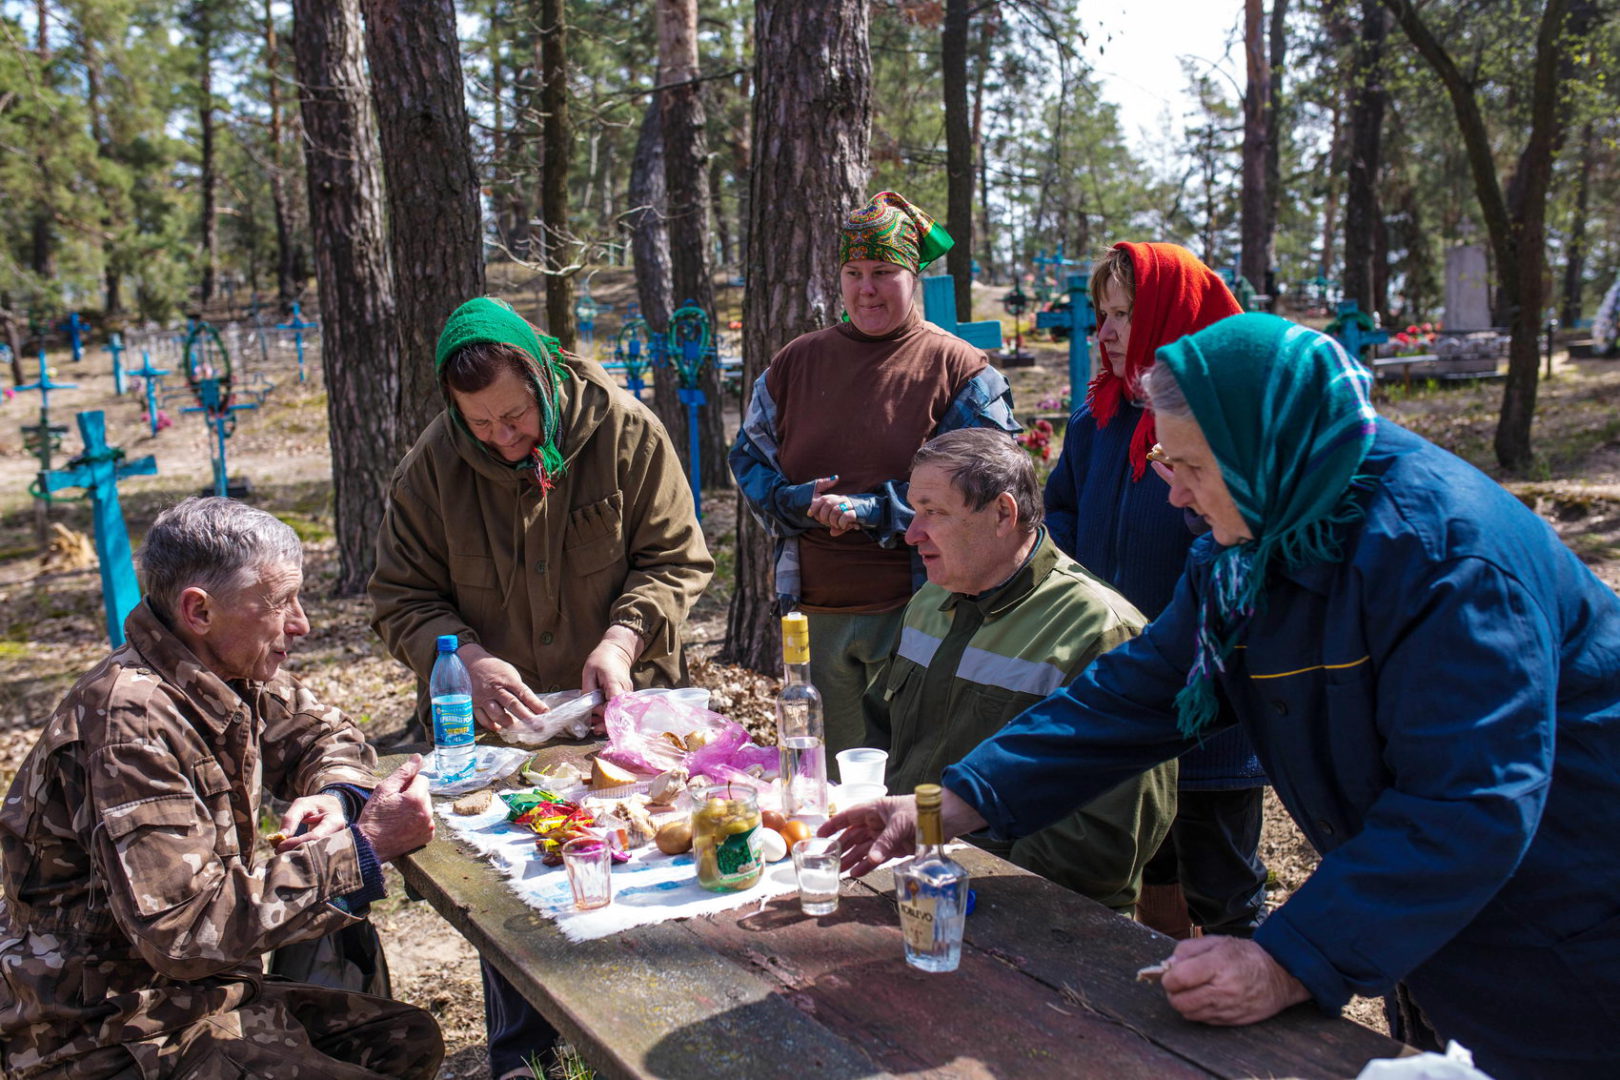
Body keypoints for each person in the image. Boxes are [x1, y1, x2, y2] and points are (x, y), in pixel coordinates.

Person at [824, 313, 1620, 1080]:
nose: (1174, 496)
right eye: (1167, 464)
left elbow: (1469, 803)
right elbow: (1133, 696)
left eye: (1192, 468)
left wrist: (1288, 958)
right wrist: (957, 799)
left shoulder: (1447, 560)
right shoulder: (1250, 545)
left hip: (1572, 922)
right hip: (1442, 921)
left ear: (1266, 450)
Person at [369, 296, 713, 1080]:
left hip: (622, 724)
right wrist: (470, 658)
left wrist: (623, 639)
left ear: (545, 372)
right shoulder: (434, 466)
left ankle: (662, 1053)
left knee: (646, 895)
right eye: (481, 424)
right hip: (501, 745)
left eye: (516, 415)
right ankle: (528, 1062)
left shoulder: (624, 430)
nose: (503, 437)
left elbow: (676, 558)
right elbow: (399, 597)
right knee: (516, 908)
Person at [0, 497, 442, 1080]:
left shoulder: (221, 670)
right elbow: (183, 934)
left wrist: (334, 798)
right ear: (199, 610)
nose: (301, 623)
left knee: (403, 1040)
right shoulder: (130, 723)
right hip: (108, 1033)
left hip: (198, 997)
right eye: (281, 601)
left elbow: (329, 735)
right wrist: (364, 849)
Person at [730, 190, 1020, 753]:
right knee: (836, 782)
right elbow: (748, 457)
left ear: (913, 274)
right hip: (814, 618)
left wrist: (876, 511)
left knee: (918, 774)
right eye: (854, 271)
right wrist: (793, 500)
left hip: (924, 613)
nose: (867, 287)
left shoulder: (958, 369)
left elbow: (989, 488)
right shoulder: (796, 362)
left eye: (884, 271)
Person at [1043, 242, 1267, 937]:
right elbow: (1062, 529)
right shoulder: (1096, 420)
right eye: (1101, 315)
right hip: (1121, 691)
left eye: (1125, 316)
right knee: (1149, 870)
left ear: (1176, 318)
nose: (1104, 333)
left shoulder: (1223, 430)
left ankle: (1251, 1018)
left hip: (1210, 707)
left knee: (1222, 885)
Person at [867, 429, 1176, 913]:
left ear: (1002, 514)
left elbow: (1101, 842)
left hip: (1031, 914)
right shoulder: (931, 601)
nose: (911, 533)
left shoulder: (1099, 629)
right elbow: (880, 739)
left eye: (934, 512)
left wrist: (978, 890)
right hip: (912, 885)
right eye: (914, 510)